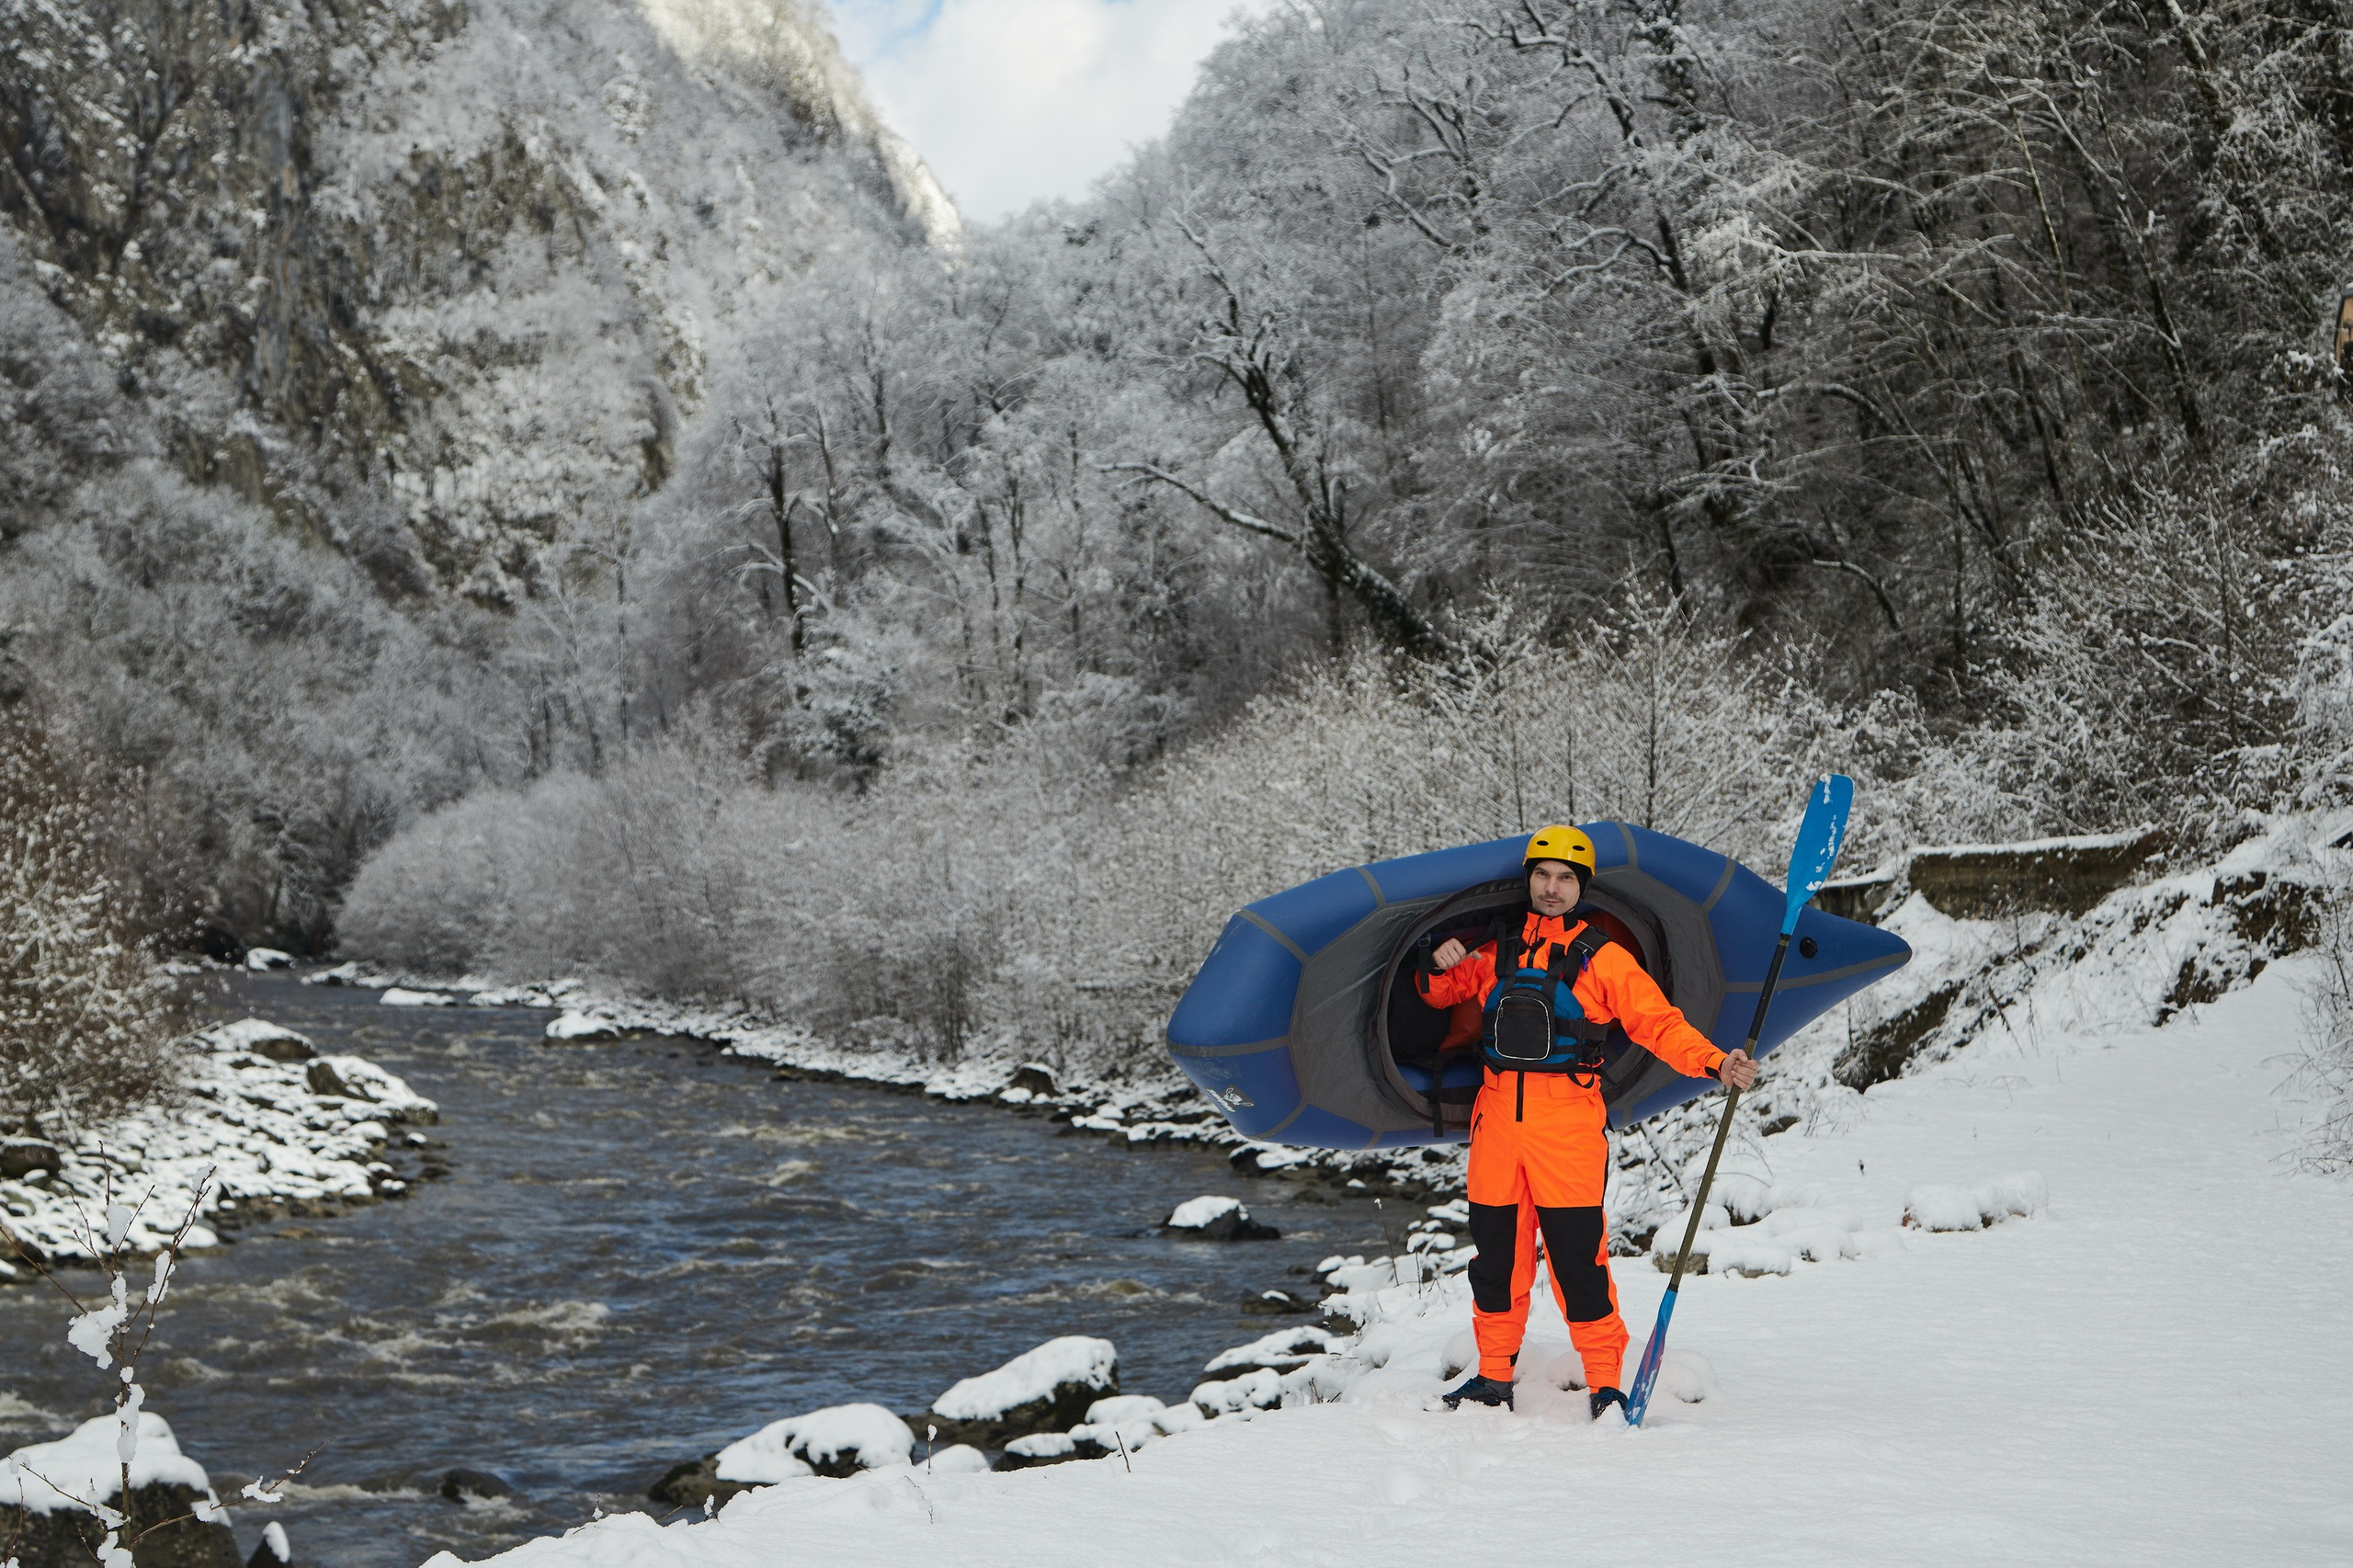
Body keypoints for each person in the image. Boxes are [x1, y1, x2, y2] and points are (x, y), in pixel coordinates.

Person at [1415, 824, 1757, 1418]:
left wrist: (1714, 1062)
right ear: (1529, 881)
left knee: (1580, 1262)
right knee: (1495, 1260)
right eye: (1543, 876)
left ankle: (1605, 1384)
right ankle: (1494, 1377)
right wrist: (1439, 961)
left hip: (1567, 1127)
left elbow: (1659, 1023)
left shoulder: (1605, 958)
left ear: (1582, 887)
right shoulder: (1495, 951)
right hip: (1496, 1122)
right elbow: (1441, 995)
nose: (1552, 888)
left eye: (1565, 879)